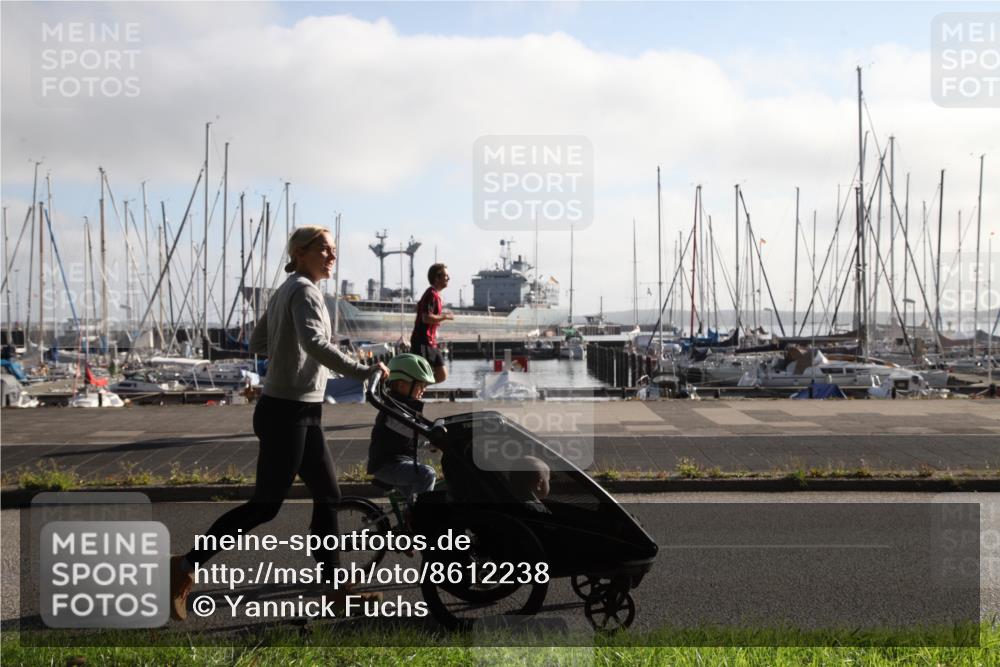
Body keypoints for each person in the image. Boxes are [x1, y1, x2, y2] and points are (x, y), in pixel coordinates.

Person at [169, 225, 388, 621]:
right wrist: (363, 371)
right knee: (265, 507)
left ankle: (334, 587)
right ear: (300, 252)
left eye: (333, 249)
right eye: (324, 249)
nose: (332, 256)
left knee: (329, 495)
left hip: (301, 409)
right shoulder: (305, 290)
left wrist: (290, 357)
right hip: (287, 413)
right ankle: (183, 568)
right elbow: (315, 345)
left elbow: (258, 343)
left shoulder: (286, 288)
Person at [367, 353, 437, 502]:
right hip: (387, 466)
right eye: (420, 384)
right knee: (426, 475)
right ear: (402, 384)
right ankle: (420, 519)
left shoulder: (402, 407)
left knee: (413, 498)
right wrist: (437, 436)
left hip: (398, 461)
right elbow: (414, 430)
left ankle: (411, 520)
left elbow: (408, 439)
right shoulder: (394, 412)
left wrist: (429, 445)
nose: (423, 389)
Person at [410, 263, 453, 384]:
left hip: (429, 341)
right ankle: (412, 391)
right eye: (446, 276)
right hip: (423, 341)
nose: (448, 278)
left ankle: (415, 390)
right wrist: (444, 317)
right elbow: (426, 318)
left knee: (440, 375)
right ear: (437, 277)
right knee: (433, 374)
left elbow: (420, 310)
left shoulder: (434, 295)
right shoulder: (431, 294)